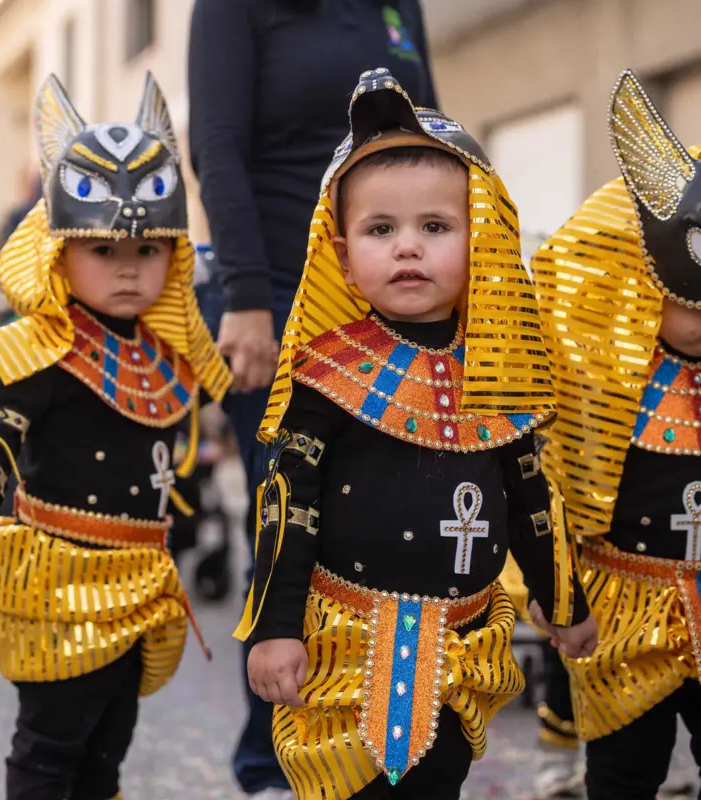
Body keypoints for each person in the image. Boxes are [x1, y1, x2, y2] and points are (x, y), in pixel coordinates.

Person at [236, 70, 598, 800]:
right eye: (381, 229)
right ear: (342, 255)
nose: (408, 247)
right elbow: (287, 510)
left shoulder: (502, 373)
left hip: (464, 649)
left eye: (434, 227)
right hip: (342, 649)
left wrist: (563, 603)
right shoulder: (322, 374)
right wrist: (275, 629)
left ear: (482, 240)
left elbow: (532, 500)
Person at [0, 73, 232, 800]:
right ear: (58, 251)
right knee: (51, 745)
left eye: (148, 249)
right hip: (57, 586)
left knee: (109, 744)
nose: (127, 267)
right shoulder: (43, 351)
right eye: (102, 249)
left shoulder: (170, 353)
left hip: (144, 579)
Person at [186, 4, 440, 793]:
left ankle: (381, 740)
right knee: (289, 520)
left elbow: (430, 136)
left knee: (391, 520)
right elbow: (216, 150)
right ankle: (272, 763)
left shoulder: (397, 4)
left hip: (391, 296)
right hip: (281, 294)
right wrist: (246, 299)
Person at [530, 69, 701, 800]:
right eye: (693, 304)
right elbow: (552, 485)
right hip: (620, 612)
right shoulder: (600, 384)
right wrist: (554, 589)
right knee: (625, 772)